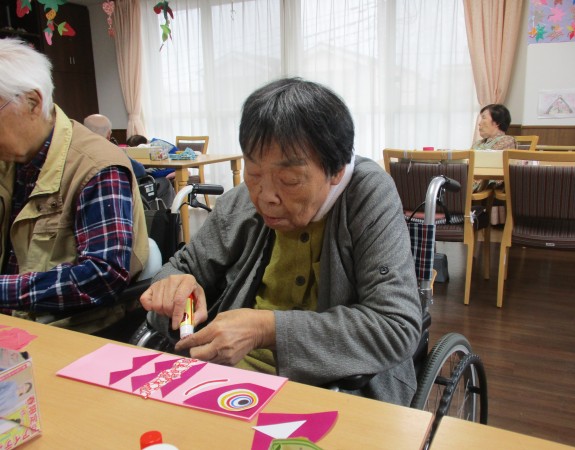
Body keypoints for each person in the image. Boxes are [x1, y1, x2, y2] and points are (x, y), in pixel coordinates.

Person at [139, 78, 422, 406]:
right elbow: (180, 272)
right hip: (226, 377)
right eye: (253, 173)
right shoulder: (243, 201)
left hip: (333, 387)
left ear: (336, 170)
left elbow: (396, 326)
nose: (265, 197)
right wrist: (178, 297)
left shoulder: (367, 194)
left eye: (289, 180)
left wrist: (266, 329)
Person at [0, 38, 148, 331]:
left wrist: (5, 290)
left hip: (68, 329)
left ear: (33, 102)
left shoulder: (96, 166)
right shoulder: (9, 160)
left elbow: (103, 275)